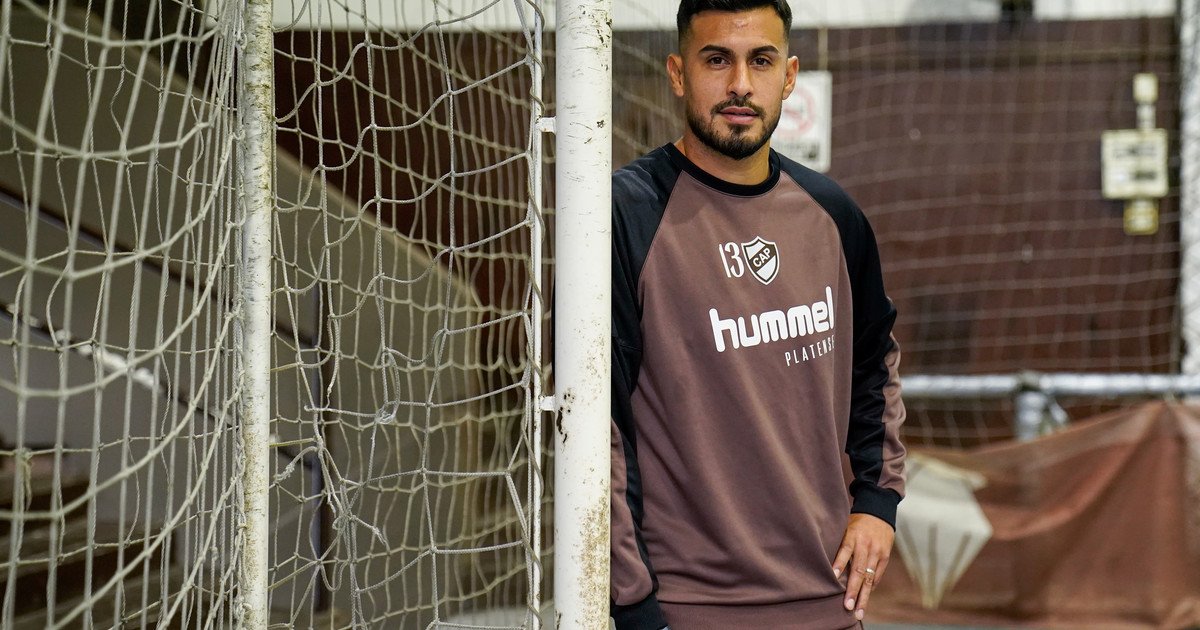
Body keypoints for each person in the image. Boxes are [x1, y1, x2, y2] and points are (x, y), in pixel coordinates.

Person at [609, 1, 907, 628]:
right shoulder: (626, 215)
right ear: (678, 73)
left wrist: (877, 500)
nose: (741, 84)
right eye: (717, 60)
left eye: (761, 61)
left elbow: (874, 363)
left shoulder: (833, 214)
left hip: (829, 601)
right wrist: (633, 604)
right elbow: (598, 425)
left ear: (789, 76)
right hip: (690, 608)